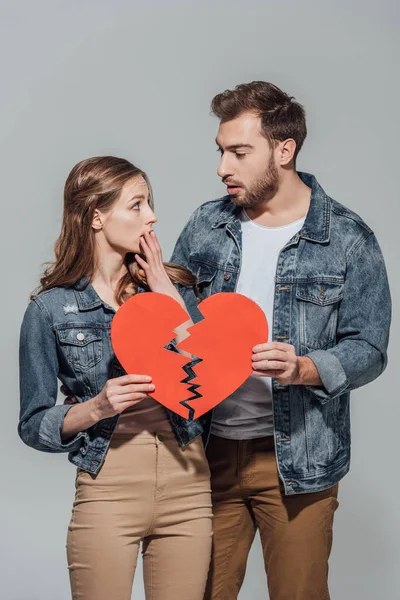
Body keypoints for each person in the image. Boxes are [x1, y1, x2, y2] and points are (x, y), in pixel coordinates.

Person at [170, 81, 392, 600]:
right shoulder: (206, 225)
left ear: (284, 150)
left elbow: (369, 349)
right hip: (206, 453)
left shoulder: (348, 238)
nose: (223, 166)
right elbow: (170, 322)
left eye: (239, 152)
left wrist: (304, 368)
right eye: (221, 151)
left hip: (298, 463)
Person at [18, 156, 212, 600]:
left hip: (188, 478)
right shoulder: (49, 310)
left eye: (150, 203)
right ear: (97, 216)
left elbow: (209, 371)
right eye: (137, 205)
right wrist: (97, 407)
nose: (152, 216)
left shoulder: (171, 290)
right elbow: (33, 424)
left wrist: (164, 289)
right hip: (109, 484)